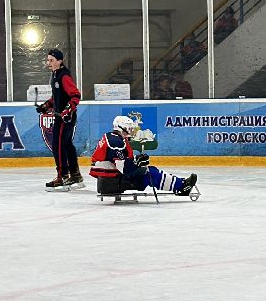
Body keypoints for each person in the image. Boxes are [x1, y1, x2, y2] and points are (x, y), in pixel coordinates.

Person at [90, 115, 198, 197]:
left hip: (108, 179)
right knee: (149, 173)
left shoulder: (112, 137)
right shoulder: (116, 142)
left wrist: (136, 161)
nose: (132, 130)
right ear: (122, 128)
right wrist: (137, 162)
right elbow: (123, 167)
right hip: (112, 182)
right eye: (130, 128)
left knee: (149, 170)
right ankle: (182, 186)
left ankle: (180, 183)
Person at [36, 48, 83, 190]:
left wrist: (68, 110)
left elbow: (75, 95)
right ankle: (75, 174)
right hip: (61, 117)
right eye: (48, 60)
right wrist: (47, 105)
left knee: (58, 145)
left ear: (59, 61)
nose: (48, 63)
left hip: (65, 119)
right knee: (66, 144)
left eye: (51, 60)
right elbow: (58, 97)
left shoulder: (64, 76)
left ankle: (62, 176)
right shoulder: (56, 75)